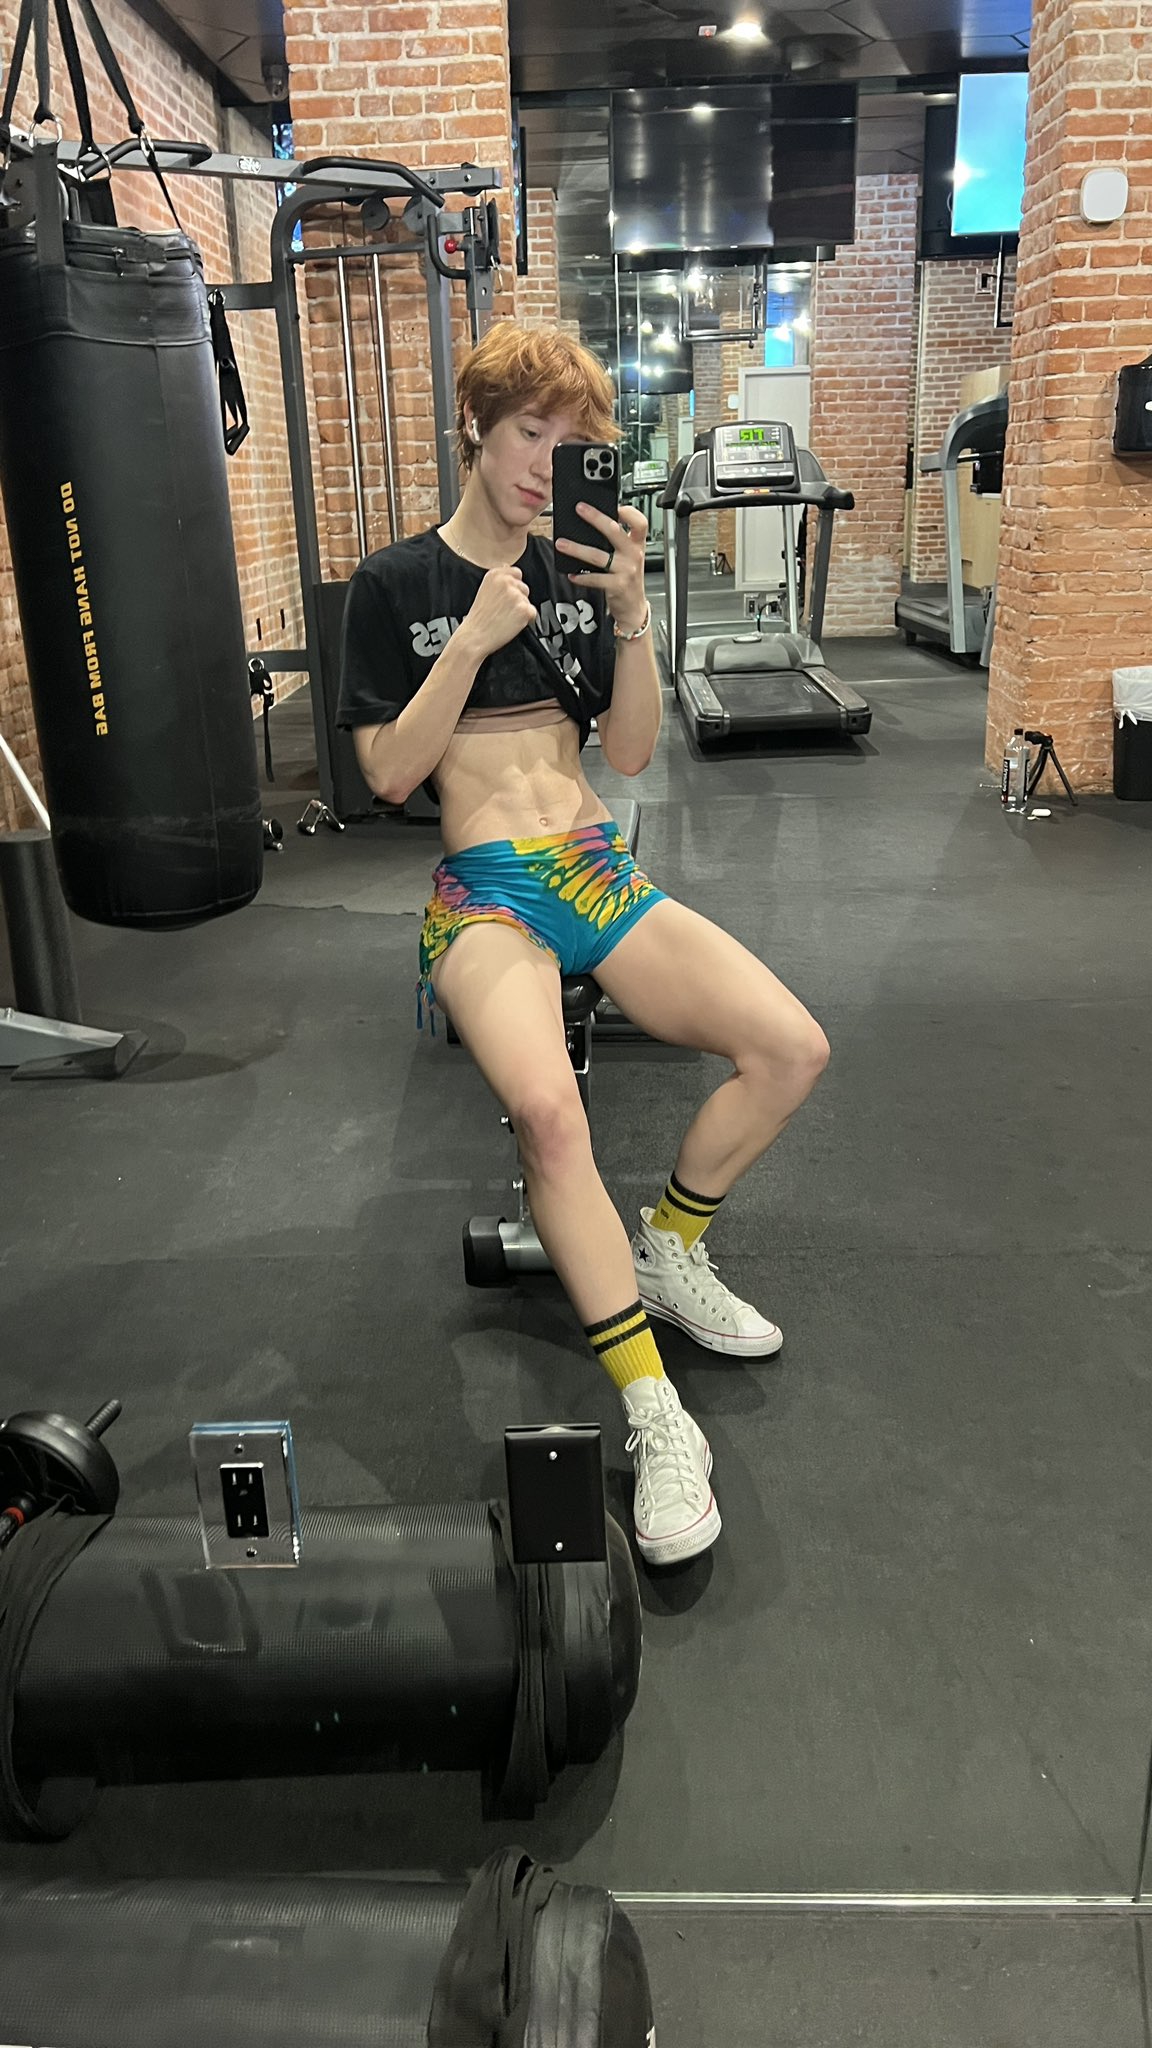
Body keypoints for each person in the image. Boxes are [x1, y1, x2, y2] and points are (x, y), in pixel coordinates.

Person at [337, 324, 829, 1568]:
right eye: (527, 433)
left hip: (593, 864)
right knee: (552, 1118)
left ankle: (668, 1245)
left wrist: (631, 612)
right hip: (487, 892)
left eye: (568, 443)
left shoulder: (577, 569)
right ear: (474, 425)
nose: (540, 463)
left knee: (790, 1048)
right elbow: (389, 774)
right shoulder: (394, 583)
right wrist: (471, 634)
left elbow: (628, 753)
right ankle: (656, 1413)